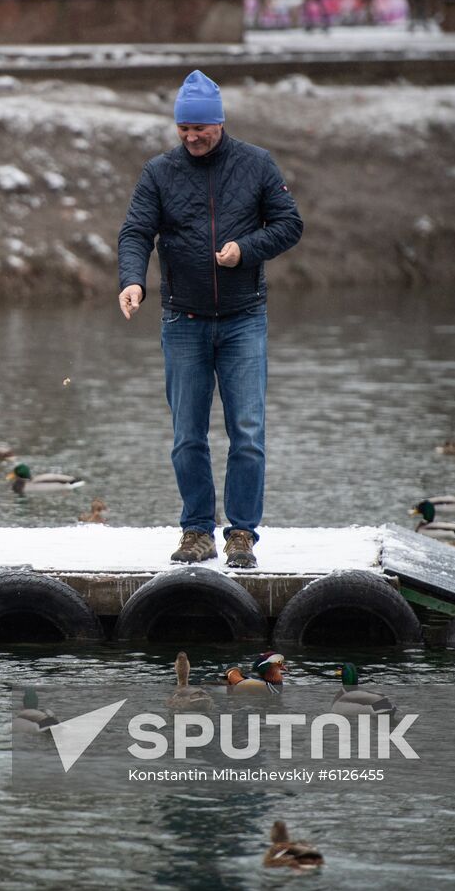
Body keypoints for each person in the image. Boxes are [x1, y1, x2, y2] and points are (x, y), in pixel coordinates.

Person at [116, 70, 303, 569]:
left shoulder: (257, 164)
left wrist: (245, 250)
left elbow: (290, 225)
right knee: (187, 434)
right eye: (183, 129)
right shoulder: (159, 172)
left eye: (201, 128)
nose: (192, 137)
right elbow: (135, 232)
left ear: (219, 122)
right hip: (184, 320)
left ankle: (241, 533)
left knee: (247, 430)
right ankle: (197, 531)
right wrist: (132, 281)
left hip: (244, 319)